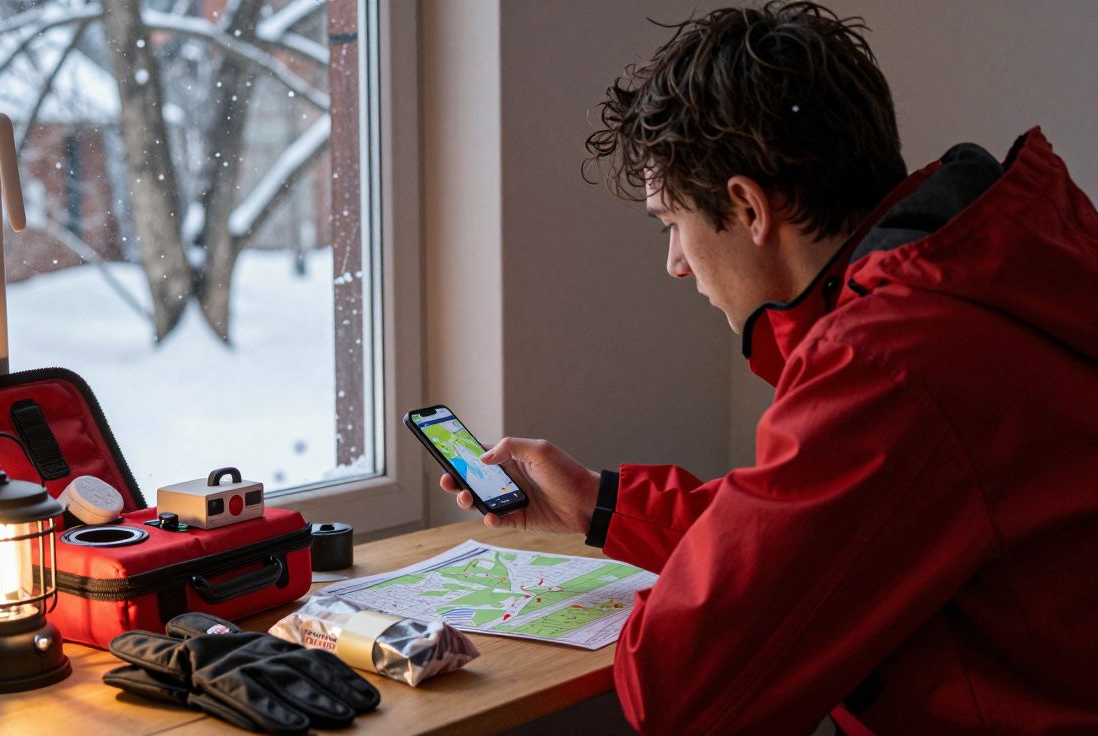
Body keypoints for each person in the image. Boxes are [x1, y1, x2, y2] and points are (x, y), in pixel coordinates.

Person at [439, 2, 1098, 733]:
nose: (677, 266)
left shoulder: (888, 366)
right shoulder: (986, 274)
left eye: (673, 225)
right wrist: (601, 503)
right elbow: (808, 522)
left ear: (749, 207)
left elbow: (680, 694)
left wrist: (683, 603)